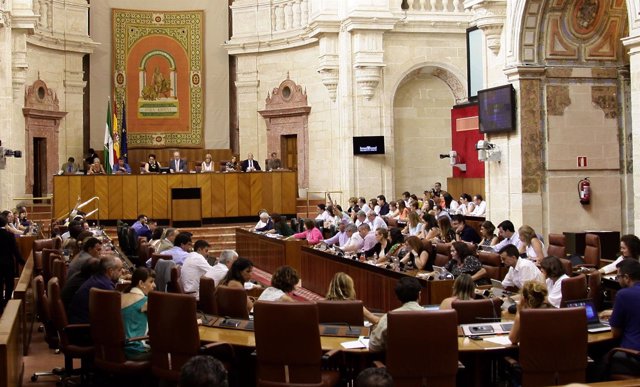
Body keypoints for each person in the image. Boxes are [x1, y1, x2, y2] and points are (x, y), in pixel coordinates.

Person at [599, 260, 640, 376]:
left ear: (626, 277)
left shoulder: (623, 294)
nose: (618, 280)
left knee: (598, 362)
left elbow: (615, 333)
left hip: (634, 356)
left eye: (618, 277)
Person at [369, 277, 423, 352]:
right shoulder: (434, 317)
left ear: (398, 297)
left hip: (394, 363)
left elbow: (373, 347)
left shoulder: (388, 318)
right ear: (419, 294)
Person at [68, 256, 123, 324]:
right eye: (119, 270)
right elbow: (115, 312)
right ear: (110, 271)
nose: (122, 273)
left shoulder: (97, 277)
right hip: (83, 327)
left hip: (78, 320)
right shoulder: (106, 286)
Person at [121, 267, 155, 360]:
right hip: (135, 350)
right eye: (151, 282)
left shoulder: (121, 296)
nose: (154, 285)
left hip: (117, 350)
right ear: (141, 283)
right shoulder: (145, 301)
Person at [0, 214, 25, 312]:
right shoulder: (9, 235)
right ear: (5, 224)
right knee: (9, 283)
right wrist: (22, 261)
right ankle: (7, 301)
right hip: (8, 263)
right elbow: (15, 251)